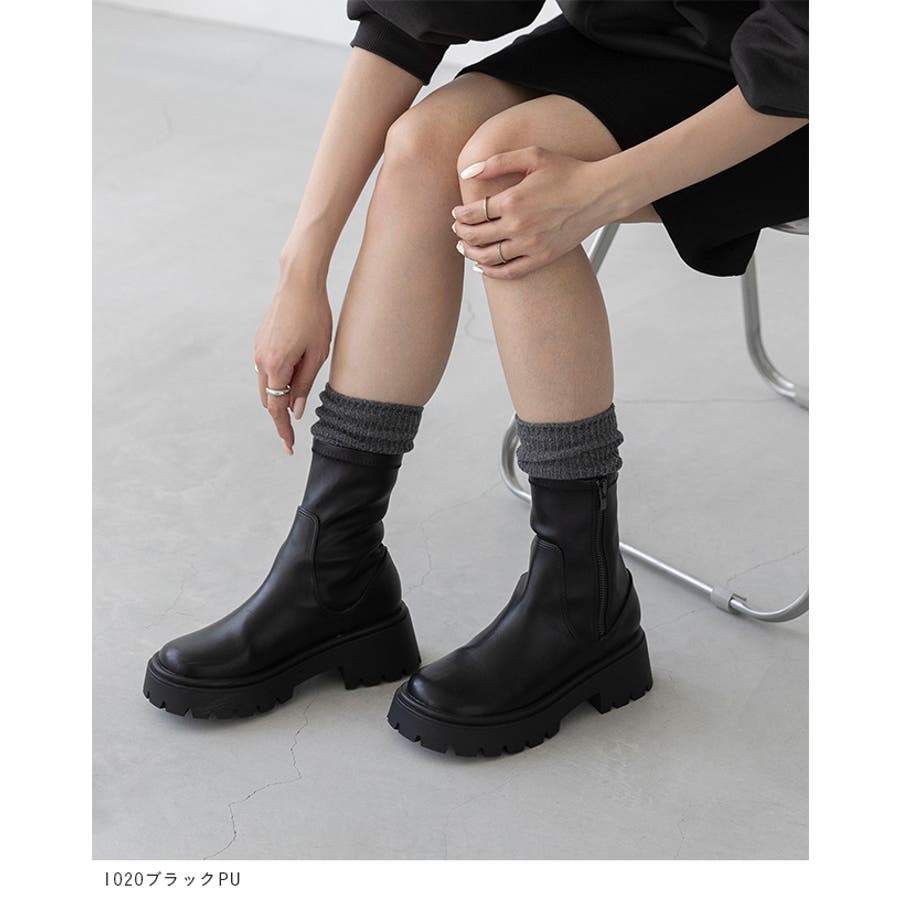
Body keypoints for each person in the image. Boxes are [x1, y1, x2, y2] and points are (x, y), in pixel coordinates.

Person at [143, 1, 808, 757]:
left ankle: (581, 597)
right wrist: (302, 267)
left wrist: (599, 190)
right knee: (424, 142)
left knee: (505, 168)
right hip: (647, 41)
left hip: (806, 91)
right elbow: (412, 15)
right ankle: (336, 565)